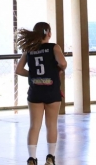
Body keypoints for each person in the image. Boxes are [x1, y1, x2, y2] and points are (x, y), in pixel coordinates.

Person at [15, 22, 67, 165]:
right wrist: (58, 70)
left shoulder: (29, 49)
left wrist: (32, 75)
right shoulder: (54, 47)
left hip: (35, 92)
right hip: (52, 91)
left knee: (34, 126)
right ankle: (50, 157)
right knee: (51, 125)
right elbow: (63, 63)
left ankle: (32, 158)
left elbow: (18, 70)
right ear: (48, 33)